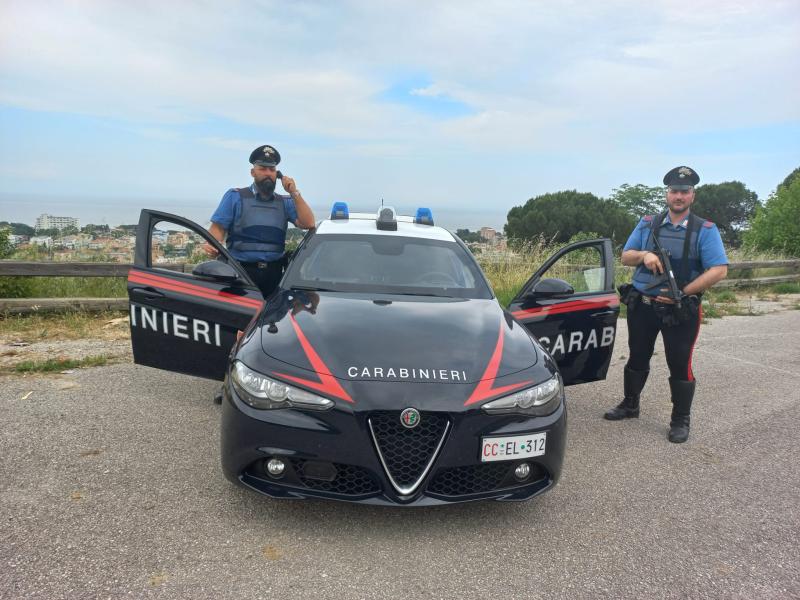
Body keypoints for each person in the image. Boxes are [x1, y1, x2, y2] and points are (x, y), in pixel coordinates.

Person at [604, 166, 728, 443]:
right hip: (643, 306)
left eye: (684, 192)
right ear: (667, 194)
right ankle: (630, 405)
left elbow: (719, 270)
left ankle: (680, 420)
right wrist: (646, 255)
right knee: (637, 356)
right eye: (674, 191)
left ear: (692, 196)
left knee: (679, 363)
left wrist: (682, 292)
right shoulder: (648, 223)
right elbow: (626, 256)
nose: (679, 196)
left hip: (679, 310)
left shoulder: (705, 230)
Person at [205, 144, 316, 296]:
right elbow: (217, 230)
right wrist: (211, 245)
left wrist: (294, 192)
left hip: (275, 275)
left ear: (277, 174)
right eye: (262, 169)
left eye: (272, 169)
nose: (268, 173)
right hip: (240, 274)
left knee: (273, 317)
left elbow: (308, 223)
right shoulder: (235, 197)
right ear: (253, 172)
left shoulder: (285, 202)